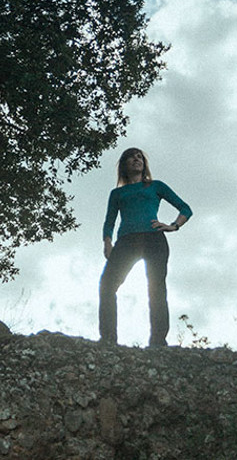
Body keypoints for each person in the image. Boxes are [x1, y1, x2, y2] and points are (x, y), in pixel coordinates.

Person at [98, 147, 192, 347]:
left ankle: (158, 342)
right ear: (124, 164)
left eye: (140, 157)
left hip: (153, 239)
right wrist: (107, 242)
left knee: (156, 289)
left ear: (144, 164)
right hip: (126, 241)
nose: (136, 159)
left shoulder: (155, 186)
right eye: (132, 157)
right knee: (107, 285)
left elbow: (186, 209)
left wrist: (173, 226)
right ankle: (108, 340)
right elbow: (109, 221)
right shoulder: (117, 193)